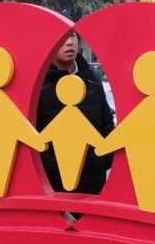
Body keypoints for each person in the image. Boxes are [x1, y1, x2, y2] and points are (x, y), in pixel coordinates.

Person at [37, 30, 115, 197]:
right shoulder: (39, 84)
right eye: (62, 38)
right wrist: (49, 165)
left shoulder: (92, 79)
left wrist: (103, 160)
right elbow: (34, 133)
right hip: (53, 184)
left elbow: (107, 124)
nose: (69, 43)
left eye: (72, 36)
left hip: (93, 181)